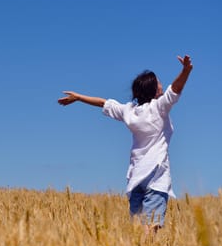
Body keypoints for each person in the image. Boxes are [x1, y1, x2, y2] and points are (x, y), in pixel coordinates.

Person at [58, 55, 193, 231]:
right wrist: (185, 71)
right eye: (159, 82)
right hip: (156, 177)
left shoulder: (129, 111)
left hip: (135, 178)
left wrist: (78, 97)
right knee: (150, 231)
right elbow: (175, 89)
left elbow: (103, 102)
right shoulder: (159, 107)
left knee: (138, 230)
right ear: (153, 90)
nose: (162, 84)